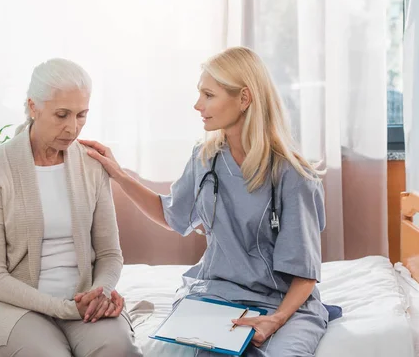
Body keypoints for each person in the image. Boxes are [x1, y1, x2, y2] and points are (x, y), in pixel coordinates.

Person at [81, 47, 329, 357]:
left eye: (209, 95)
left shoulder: (294, 176)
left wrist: (274, 322)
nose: (198, 105)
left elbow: (305, 274)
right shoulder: (206, 158)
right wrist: (119, 175)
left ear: (244, 98)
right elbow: (173, 214)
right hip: (217, 295)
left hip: (282, 303)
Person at [0, 58, 142, 357]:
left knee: (118, 349)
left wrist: (101, 292)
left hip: (81, 296)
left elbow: (109, 254)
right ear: (33, 107)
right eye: (61, 115)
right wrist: (65, 309)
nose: (73, 128)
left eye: (82, 115)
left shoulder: (92, 164)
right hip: (15, 305)